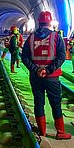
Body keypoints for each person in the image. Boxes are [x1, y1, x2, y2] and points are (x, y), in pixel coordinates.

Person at [21, 11, 71, 140]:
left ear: (39, 22)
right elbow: (61, 57)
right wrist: (48, 70)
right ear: (50, 22)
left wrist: (36, 69)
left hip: (35, 77)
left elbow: (25, 56)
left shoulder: (31, 37)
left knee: (38, 102)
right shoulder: (56, 37)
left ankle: (42, 132)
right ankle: (60, 132)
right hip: (52, 77)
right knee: (55, 104)